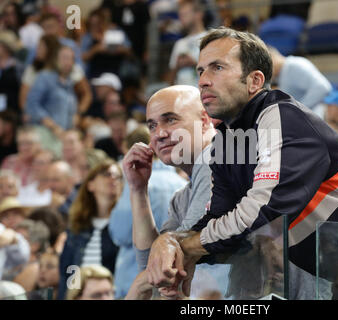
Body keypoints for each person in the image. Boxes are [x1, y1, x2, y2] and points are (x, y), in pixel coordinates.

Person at [144, 27, 338, 299]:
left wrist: (184, 246)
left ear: (255, 81)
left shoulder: (281, 115)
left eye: (217, 67)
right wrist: (168, 241)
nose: (203, 80)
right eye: (200, 70)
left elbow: (263, 207)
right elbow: (218, 220)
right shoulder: (227, 141)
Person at [123, 85, 228, 300]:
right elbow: (150, 266)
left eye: (171, 120)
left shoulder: (217, 161)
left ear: (205, 119)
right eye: (152, 125)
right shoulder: (180, 199)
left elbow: (164, 267)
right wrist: (138, 190)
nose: (159, 134)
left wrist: (135, 290)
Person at [108, 124, 187, 299]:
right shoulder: (182, 184)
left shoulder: (137, 177)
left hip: (136, 279)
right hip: (177, 283)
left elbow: (119, 233)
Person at [58, 159, 122, 300]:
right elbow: (67, 272)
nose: (113, 179)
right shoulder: (77, 226)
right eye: (106, 174)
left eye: (118, 176)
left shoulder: (125, 225)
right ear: (90, 185)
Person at [25, 45, 78, 136]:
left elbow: (72, 111)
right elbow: (32, 104)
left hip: (63, 135)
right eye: (65, 58)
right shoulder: (45, 77)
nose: (68, 62)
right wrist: (51, 125)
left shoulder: (69, 83)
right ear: (55, 59)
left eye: (71, 59)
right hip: (44, 133)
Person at [269, 46, 332, 116]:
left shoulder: (294, 66)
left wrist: (298, 110)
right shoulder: (282, 74)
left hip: (315, 120)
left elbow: (322, 87)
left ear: (272, 58)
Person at [167, 0, 207, 86]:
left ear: (198, 14)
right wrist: (177, 66)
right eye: (180, 15)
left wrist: (194, 63)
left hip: (202, 94)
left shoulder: (210, 39)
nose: (181, 19)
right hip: (182, 95)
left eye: (185, 14)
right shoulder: (179, 43)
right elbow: (170, 80)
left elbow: (217, 73)